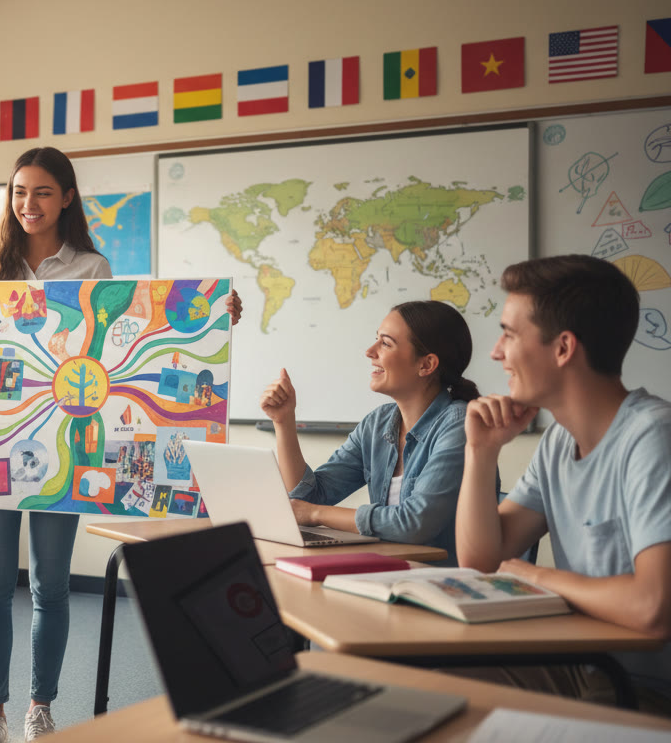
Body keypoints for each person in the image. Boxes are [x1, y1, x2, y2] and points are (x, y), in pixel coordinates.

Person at [0, 146, 242, 742]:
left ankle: (39, 706)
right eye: (19, 192)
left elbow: (121, 346)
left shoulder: (91, 269)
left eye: (42, 192)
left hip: (64, 443)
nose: (28, 204)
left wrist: (213, 320)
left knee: (49, 585)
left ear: (67, 197)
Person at [455, 255, 671, 714]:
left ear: (563, 348)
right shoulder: (558, 441)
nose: (496, 352)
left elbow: (653, 608)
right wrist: (481, 452)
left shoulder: (653, 436)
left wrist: (535, 576)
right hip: (586, 662)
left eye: (509, 334)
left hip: (647, 685)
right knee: (435, 692)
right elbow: (484, 560)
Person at [259, 301, 485, 564]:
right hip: (391, 573)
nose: (369, 351)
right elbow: (307, 496)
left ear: (426, 365)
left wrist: (315, 514)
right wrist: (284, 421)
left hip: (444, 583)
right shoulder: (378, 423)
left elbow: (413, 523)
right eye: (375, 340)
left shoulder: (460, 424)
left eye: (385, 343)